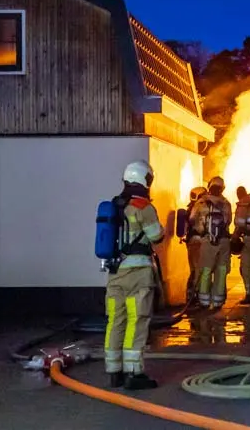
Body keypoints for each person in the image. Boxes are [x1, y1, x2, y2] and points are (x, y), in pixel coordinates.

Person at [104, 160, 165, 390]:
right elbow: (156, 236)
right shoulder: (143, 206)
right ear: (144, 179)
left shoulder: (115, 205)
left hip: (115, 272)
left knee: (115, 321)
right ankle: (134, 372)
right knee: (136, 320)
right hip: (138, 273)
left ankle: (114, 371)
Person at [197, 176, 232, 311]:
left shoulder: (201, 202)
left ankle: (204, 301)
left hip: (207, 240)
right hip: (223, 241)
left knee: (205, 269)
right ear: (222, 188)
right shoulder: (226, 203)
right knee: (221, 270)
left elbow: (194, 220)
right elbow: (228, 221)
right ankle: (218, 301)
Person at [183, 186, 208, 306]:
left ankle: (190, 296)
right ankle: (195, 296)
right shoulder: (200, 206)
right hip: (198, 241)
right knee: (199, 270)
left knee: (194, 270)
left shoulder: (190, 208)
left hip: (191, 242)